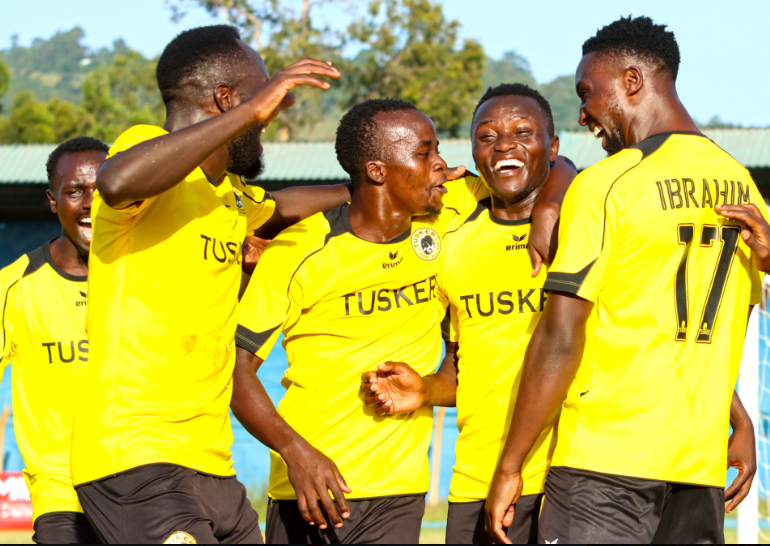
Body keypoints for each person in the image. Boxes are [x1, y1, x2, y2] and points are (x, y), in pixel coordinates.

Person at [231, 98, 574, 544]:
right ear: (377, 171)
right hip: (311, 488)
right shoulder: (299, 252)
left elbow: (556, 163)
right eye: (424, 153)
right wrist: (296, 453)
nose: (442, 166)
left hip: (401, 492)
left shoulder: (448, 218)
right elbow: (235, 372)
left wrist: (548, 211)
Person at [485, 16, 767, 544]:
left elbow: (560, 336)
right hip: (696, 466)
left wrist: (510, 465)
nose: (584, 111)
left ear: (632, 81)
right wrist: (740, 419)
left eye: (588, 92)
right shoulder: (741, 182)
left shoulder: (607, 184)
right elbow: (711, 327)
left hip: (604, 464)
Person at [70, 25, 354, 544]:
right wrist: (250, 113)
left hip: (211, 462)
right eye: (260, 92)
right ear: (226, 99)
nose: (268, 116)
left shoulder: (231, 198)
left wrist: (374, 187)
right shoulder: (140, 151)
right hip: (137, 453)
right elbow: (113, 182)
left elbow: (283, 206)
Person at [361, 84, 574, 544]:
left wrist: (554, 201)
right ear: (474, 154)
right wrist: (425, 389)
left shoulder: (584, 223)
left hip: (569, 482)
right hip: (476, 480)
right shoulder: (455, 236)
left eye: (523, 131)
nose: (503, 145)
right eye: (486, 135)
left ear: (553, 147)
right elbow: (465, 367)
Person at [0, 137, 107, 544]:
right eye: (75, 191)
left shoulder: (143, 277)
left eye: (100, 190)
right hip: (62, 491)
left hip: (140, 484)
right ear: (52, 200)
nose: (89, 204)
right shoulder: (15, 287)